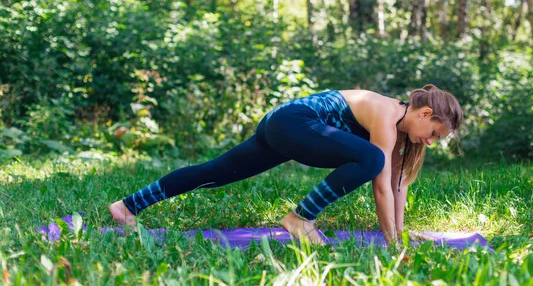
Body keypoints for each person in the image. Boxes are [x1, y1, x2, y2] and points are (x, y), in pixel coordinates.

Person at [110, 84, 463, 247]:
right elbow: (380, 185)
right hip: (294, 122)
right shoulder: (386, 115)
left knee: (215, 173)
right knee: (372, 159)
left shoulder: (400, 135)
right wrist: (392, 244)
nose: (430, 142)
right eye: (433, 133)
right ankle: (300, 219)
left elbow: (397, 186)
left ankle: (127, 206)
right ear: (425, 113)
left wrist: (399, 234)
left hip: (284, 127)